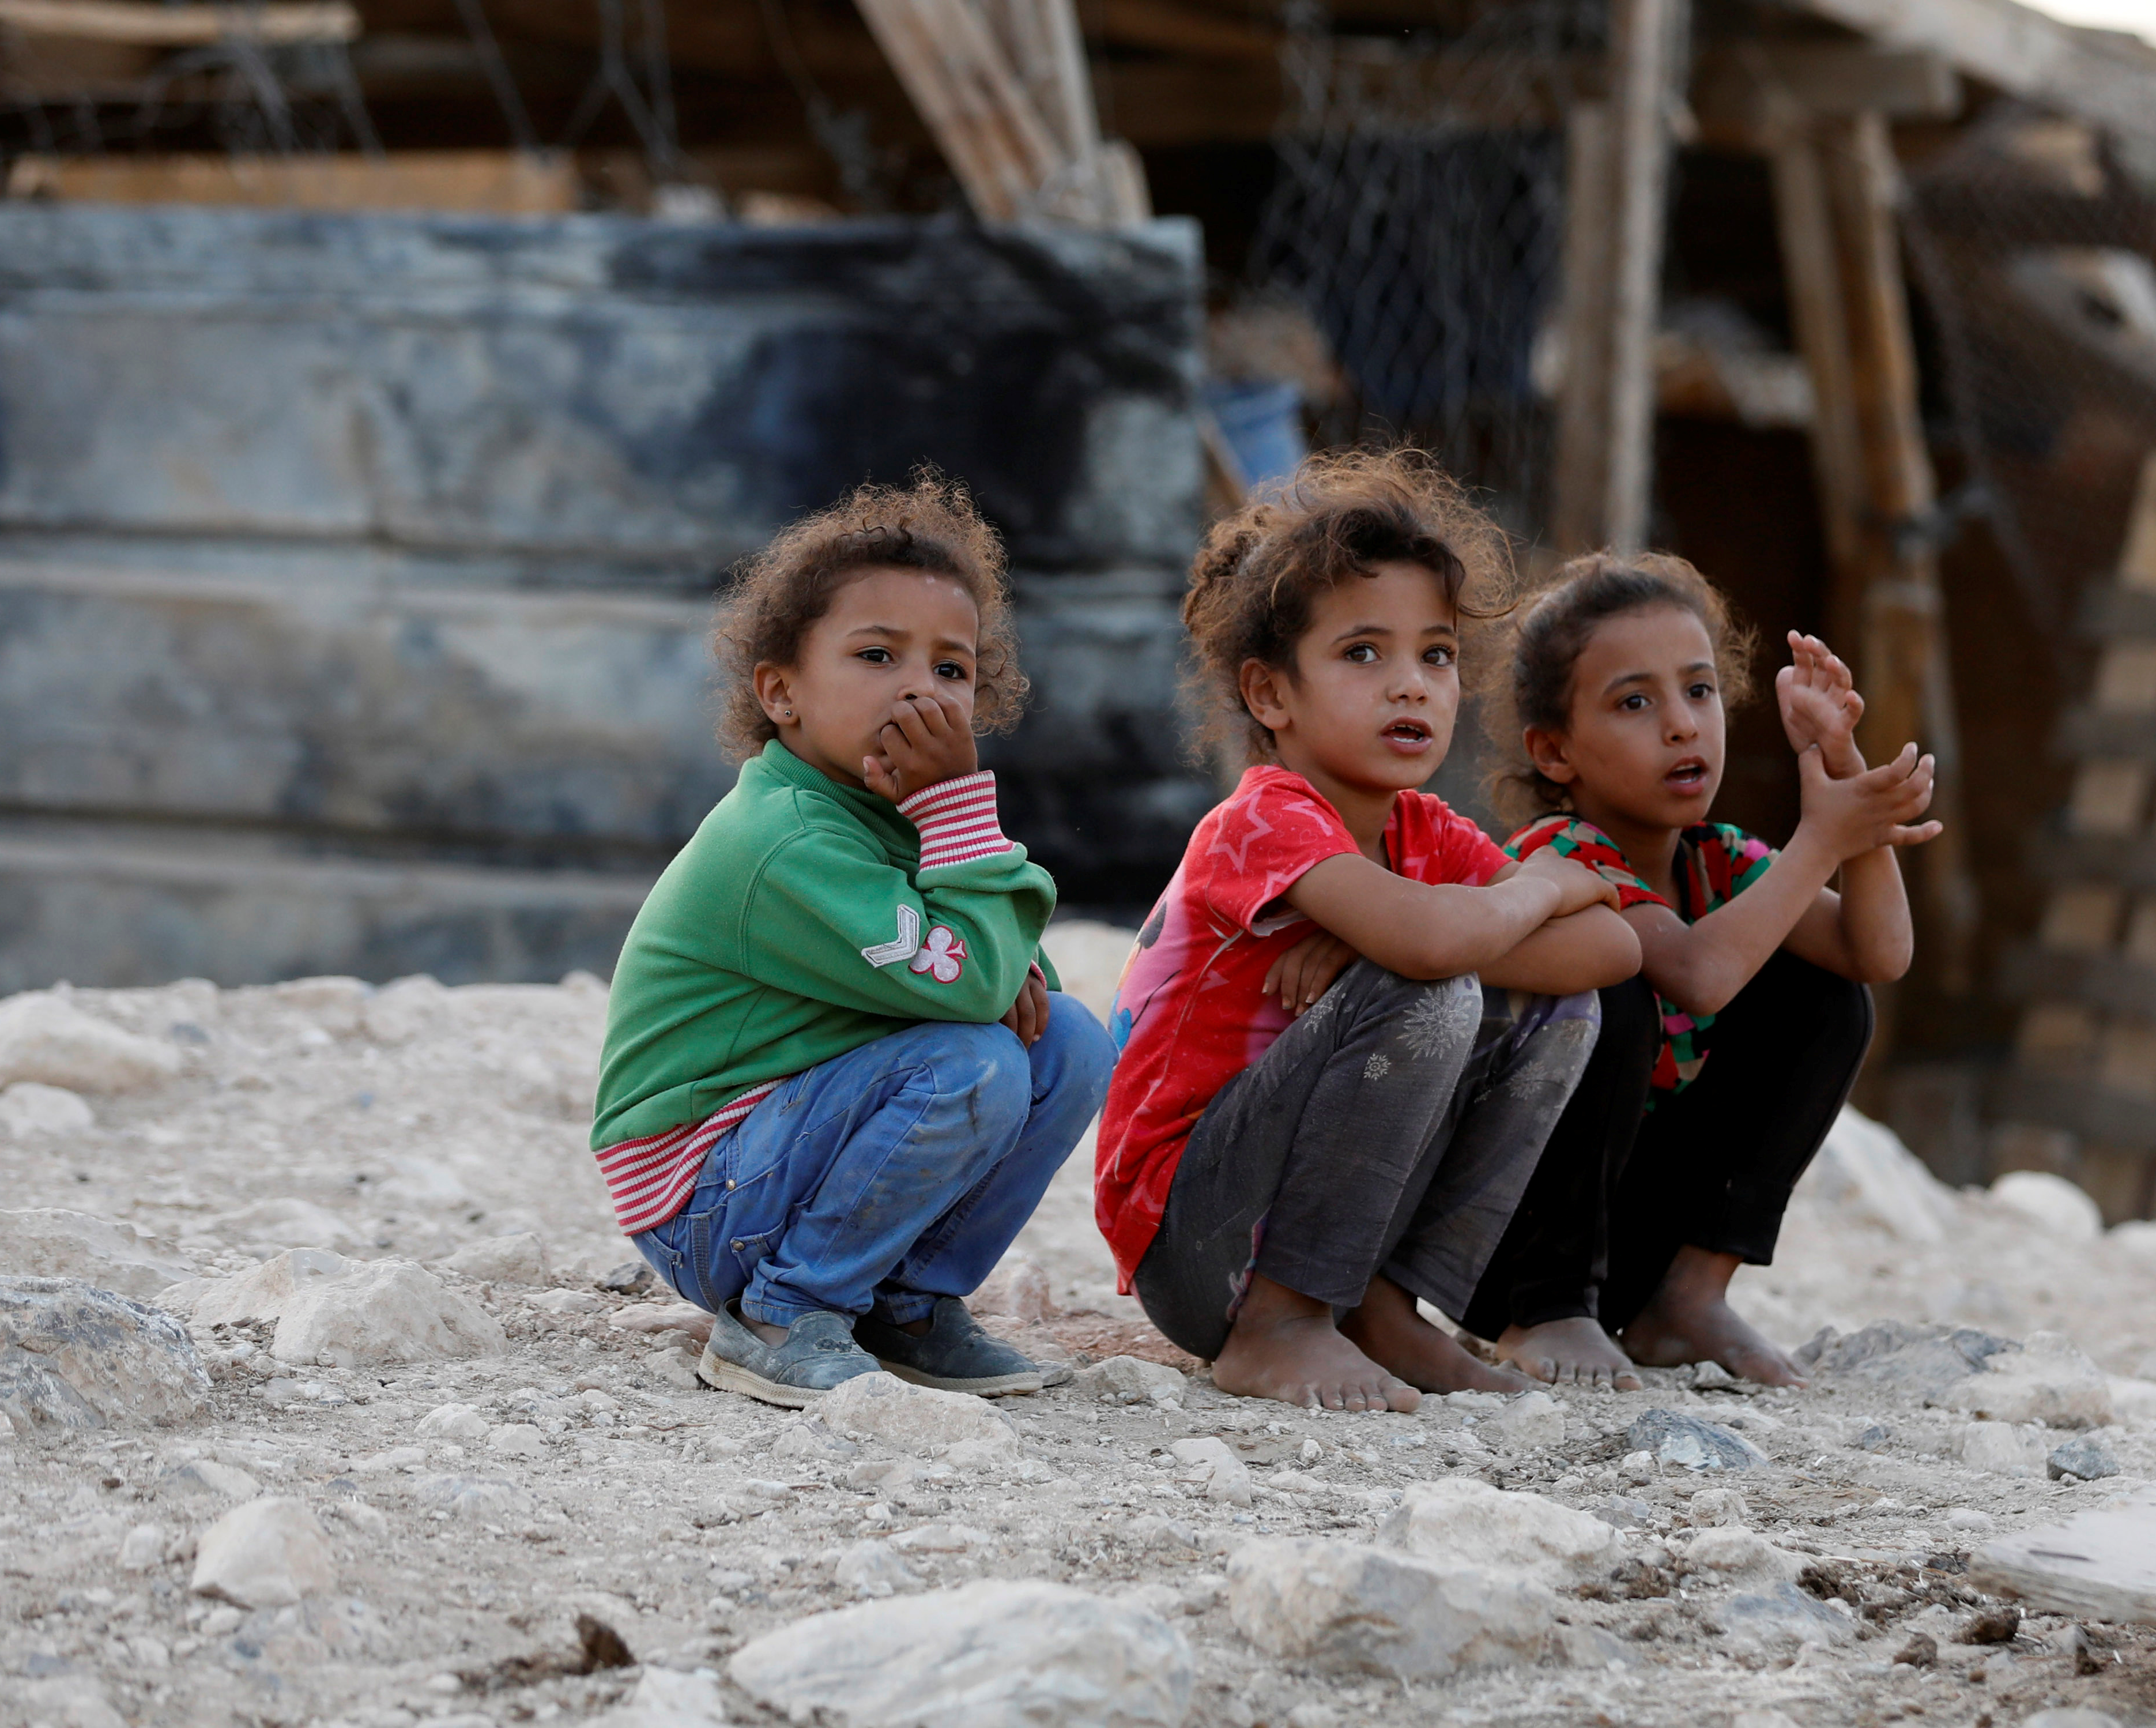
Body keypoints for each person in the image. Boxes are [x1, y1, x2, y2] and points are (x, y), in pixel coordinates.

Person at [1094, 449, 1641, 1413]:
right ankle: (1278, 1325)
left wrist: (1393, 931)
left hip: (1305, 1212)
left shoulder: (1421, 831)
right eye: (1363, 653)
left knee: (1559, 1008)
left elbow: (1615, 950)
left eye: (1434, 654)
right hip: (1194, 1234)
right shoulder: (1262, 819)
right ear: (1270, 695)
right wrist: (1536, 886)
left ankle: (1382, 1303)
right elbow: (1433, 951)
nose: (1412, 685)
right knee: (1429, 984)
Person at [591, 471, 1111, 1408]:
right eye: (878, 656)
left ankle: (906, 1304)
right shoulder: (785, 838)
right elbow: (967, 989)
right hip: (698, 1191)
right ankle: (783, 1312)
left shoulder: (902, 815)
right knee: (973, 1060)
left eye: (951, 670)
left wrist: (999, 951)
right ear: (782, 693)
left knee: (1069, 1041)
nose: (921, 690)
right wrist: (963, 835)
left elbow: (1013, 982)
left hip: (777, 1154)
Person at [1462, 554, 1938, 1388]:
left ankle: (1684, 1295)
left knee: (1827, 994)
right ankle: (1544, 1313)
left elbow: (1877, 954)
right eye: (1634, 702)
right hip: (1502, 1236)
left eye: (1700, 690)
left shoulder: (1719, 860)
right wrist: (1822, 838)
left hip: (1623, 1232)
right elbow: (1696, 974)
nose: (1682, 724)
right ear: (1556, 750)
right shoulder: (1563, 858)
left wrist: (1843, 773)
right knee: (1614, 985)